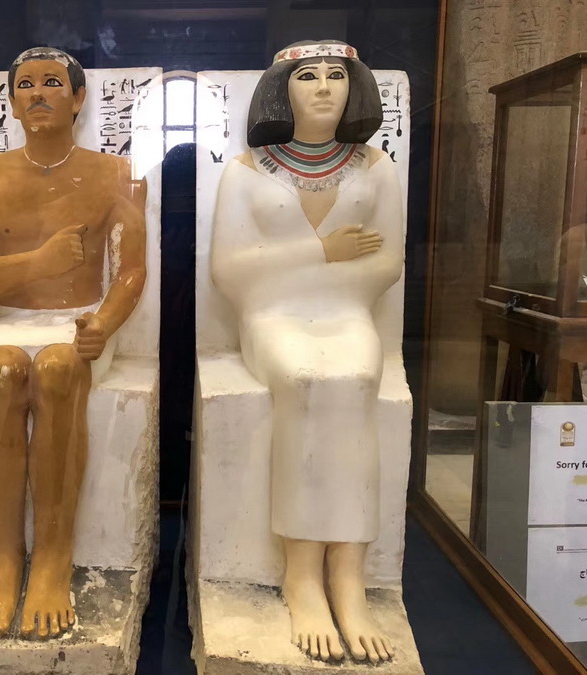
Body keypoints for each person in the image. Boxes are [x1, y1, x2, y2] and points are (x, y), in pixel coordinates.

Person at [0, 47, 147, 640]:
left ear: (78, 99)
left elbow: (131, 270)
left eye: (52, 82)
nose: (37, 94)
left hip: (80, 322)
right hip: (14, 319)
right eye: (25, 85)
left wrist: (103, 323)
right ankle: (1, 561)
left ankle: (53, 559)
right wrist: (37, 262)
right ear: (10, 102)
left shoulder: (117, 173)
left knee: (58, 369)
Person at [211, 40, 404, 663]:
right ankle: (301, 573)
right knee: (304, 378)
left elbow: (386, 266)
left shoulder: (376, 167)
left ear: (355, 86)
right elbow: (231, 271)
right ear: (282, 90)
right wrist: (320, 252)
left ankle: (348, 576)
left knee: (354, 379)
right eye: (308, 76)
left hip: (347, 313)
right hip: (270, 317)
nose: (323, 87)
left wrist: (319, 277)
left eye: (336, 75)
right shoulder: (246, 170)